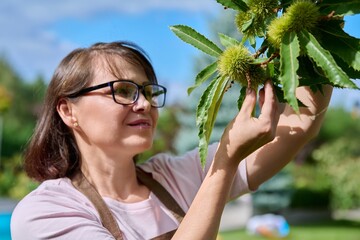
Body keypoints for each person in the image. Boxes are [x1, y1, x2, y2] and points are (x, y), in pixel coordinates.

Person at [10, 41, 332, 240]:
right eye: (123, 91)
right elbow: (227, 160)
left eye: (149, 91)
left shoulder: (173, 176)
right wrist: (225, 161)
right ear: (68, 110)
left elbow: (300, 125)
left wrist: (312, 36)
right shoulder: (46, 213)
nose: (144, 104)